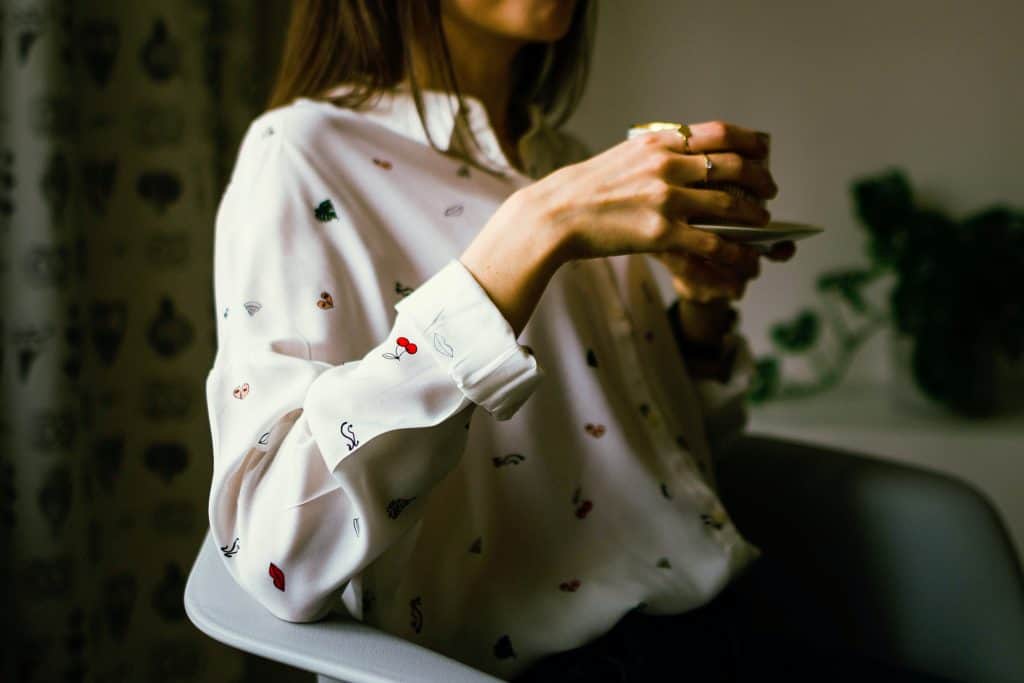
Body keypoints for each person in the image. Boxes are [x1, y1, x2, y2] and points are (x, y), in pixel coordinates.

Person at [205, 0, 814, 680]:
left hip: (728, 620)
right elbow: (276, 557)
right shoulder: (298, 153)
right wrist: (535, 229)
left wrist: (703, 316)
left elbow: (654, 469)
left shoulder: (568, 161)